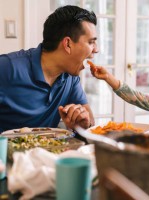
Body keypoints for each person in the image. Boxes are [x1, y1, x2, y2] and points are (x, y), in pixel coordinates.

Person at [0, 5, 98, 133]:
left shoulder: (70, 77)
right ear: (67, 44)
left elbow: (90, 123)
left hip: (47, 152)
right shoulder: (7, 68)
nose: (96, 49)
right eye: (91, 42)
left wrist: (82, 124)